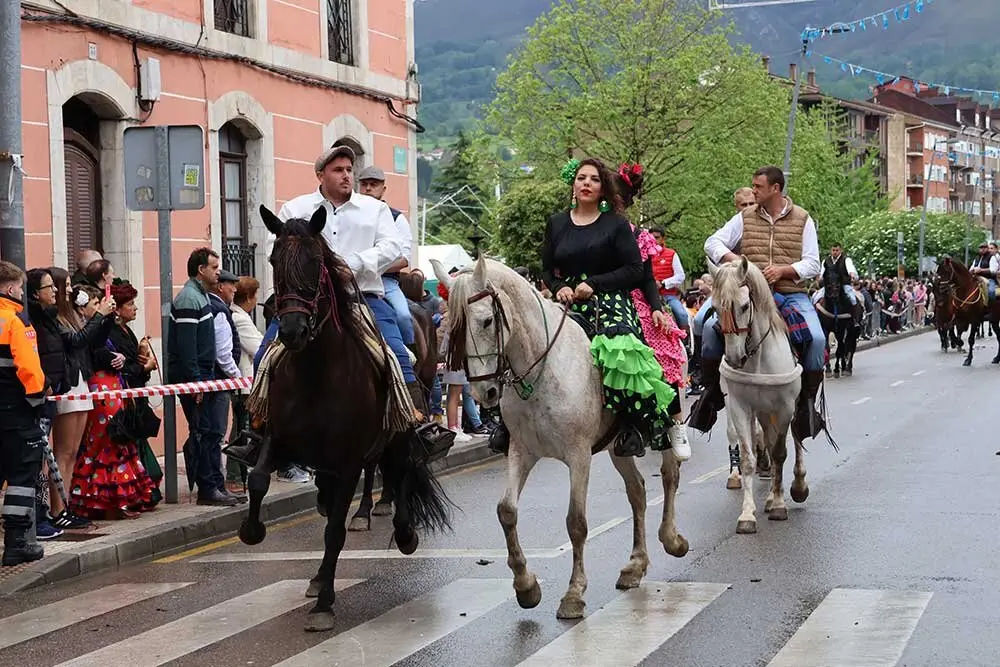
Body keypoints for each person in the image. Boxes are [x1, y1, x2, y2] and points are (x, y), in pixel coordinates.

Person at [540, 157, 677, 458]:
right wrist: (558, 287)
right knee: (527, 338)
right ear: (573, 184)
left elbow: (634, 271)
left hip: (609, 297)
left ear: (603, 188)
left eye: (594, 179)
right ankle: (512, 421)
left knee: (622, 347)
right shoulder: (556, 222)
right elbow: (547, 270)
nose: (586, 183)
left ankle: (632, 425)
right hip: (567, 299)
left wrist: (596, 284)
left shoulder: (616, 226)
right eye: (581, 178)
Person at [691, 166, 826, 442]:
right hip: (750, 294)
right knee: (708, 332)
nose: (754, 191)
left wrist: (784, 270)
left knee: (817, 338)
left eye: (758, 187)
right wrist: (739, 264)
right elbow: (711, 243)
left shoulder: (803, 219)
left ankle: (808, 404)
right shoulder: (744, 218)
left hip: (790, 293)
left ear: (775, 189)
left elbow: (813, 263)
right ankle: (710, 394)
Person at [615, 163, 691, 460]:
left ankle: (676, 421)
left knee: (667, 336)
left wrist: (656, 306)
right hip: (591, 299)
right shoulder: (579, 227)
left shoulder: (638, 235)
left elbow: (647, 277)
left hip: (642, 296)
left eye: (619, 199)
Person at [169, 248, 237, 506]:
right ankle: (208, 489)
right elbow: (188, 348)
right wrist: (197, 381)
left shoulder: (201, 297)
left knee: (210, 432)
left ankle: (216, 486)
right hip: (196, 380)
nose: (218, 271)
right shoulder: (189, 299)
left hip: (205, 378)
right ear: (201, 270)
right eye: (214, 267)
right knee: (204, 432)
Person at [0, 261, 50, 565]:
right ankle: (17, 544)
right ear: (9, 289)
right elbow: (30, 370)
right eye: (19, 287)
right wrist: (37, 399)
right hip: (14, 411)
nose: (21, 292)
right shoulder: (13, 322)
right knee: (21, 476)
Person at [357, 165, 416, 353]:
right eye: (364, 184)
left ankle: (409, 354)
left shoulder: (397, 218)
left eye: (373, 184)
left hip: (386, 281)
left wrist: (372, 267)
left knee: (403, 315)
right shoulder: (347, 214)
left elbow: (404, 258)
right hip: (353, 280)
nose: (367, 188)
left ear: (383, 189)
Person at [227, 277, 265, 489]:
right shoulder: (239, 318)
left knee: (243, 427)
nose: (256, 300)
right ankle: (234, 476)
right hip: (244, 384)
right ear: (248, 297)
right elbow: (259, 347)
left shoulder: (240, 316)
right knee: (241, 429)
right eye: (255, 296)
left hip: (246, 383)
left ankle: (238, 475)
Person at [648, 227, 690, 336]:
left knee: (682, 314)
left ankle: (685, 340)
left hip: (668, 295)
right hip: (647, 295)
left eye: (657, 237)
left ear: (663, 239)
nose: (654, 240)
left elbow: (680, 276)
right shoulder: (643, 255)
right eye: (651, 237)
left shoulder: (671, 254)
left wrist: (662, 283)